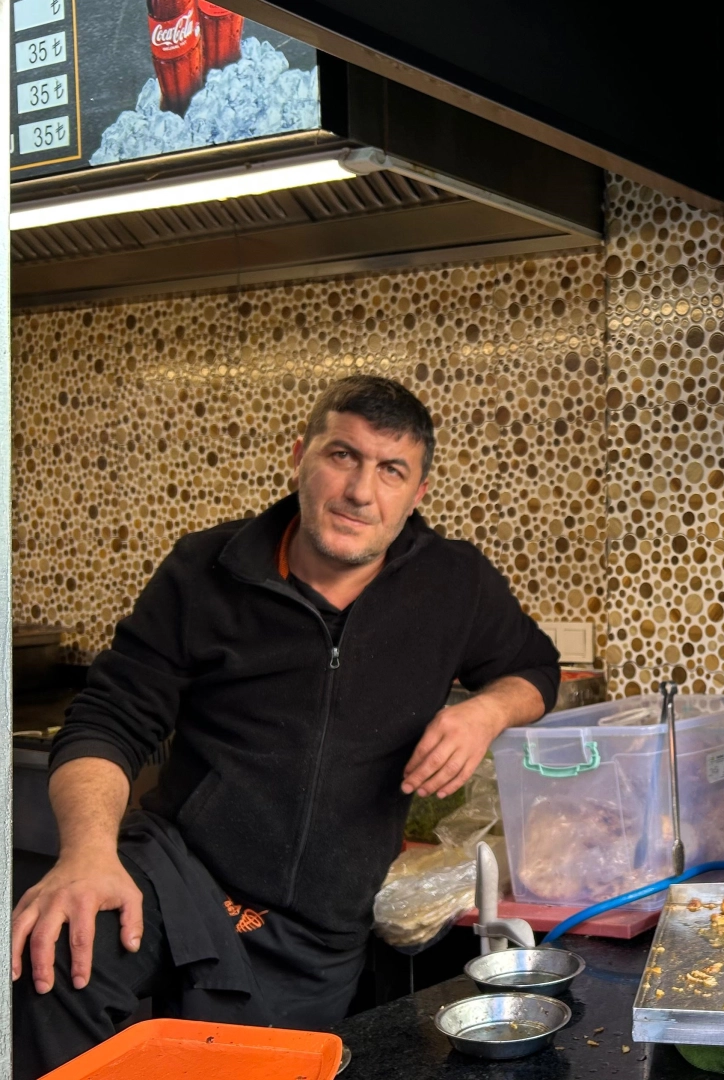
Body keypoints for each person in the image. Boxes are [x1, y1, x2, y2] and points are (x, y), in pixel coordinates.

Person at [11, 375, 560, 1077]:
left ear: (418, 493)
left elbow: (533, 669)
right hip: (183, 868)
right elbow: (110, 716)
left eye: (391, 470)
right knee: (57, 952)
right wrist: (86, 854)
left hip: (316, 928)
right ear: (300, 455)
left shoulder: (455, 584)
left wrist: (485, 710)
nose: (362, 491)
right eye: (342, 456)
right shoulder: (204, 570)